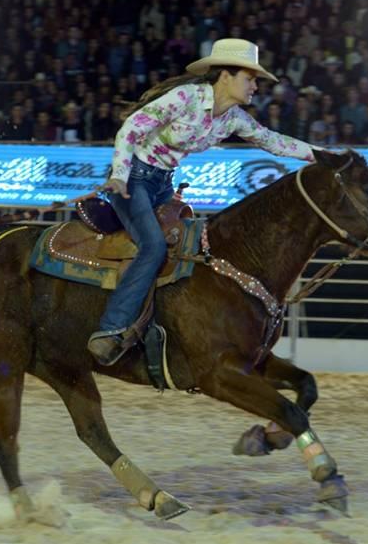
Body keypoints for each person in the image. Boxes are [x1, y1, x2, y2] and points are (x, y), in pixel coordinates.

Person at [88, 38, 316, 365]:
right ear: (226, 75)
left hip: (162, 183)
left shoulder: (233, 118)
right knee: (153, 246)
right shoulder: (186, 98)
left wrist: (320, 156)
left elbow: (273, 142)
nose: (255, 85)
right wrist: (120, 175)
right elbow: (131, 130)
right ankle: (111, 328)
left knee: (194, 244)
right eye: (249, 78)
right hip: (133, 180)